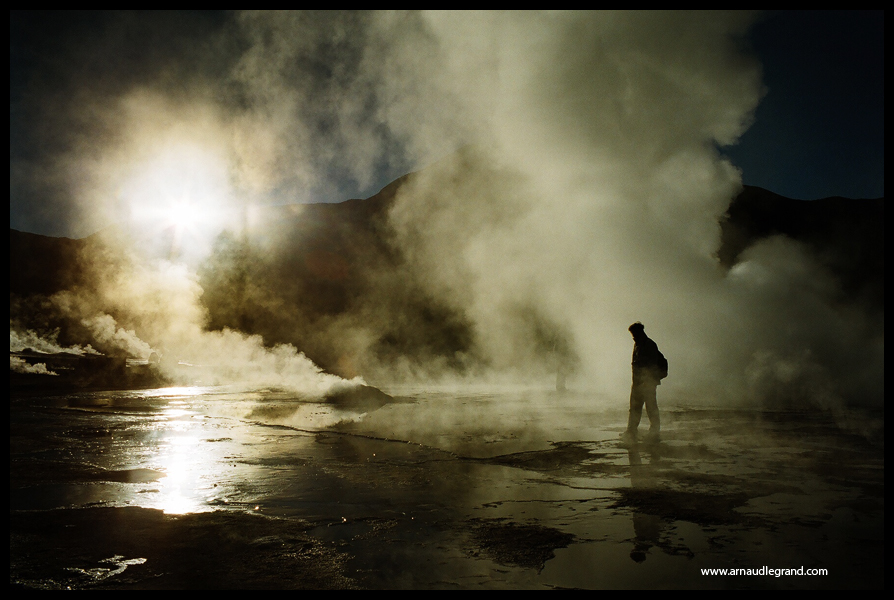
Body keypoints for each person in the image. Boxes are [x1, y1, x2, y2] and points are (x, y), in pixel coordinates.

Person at [621, 322, 667, 445]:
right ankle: (631, 431)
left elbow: (650, 366)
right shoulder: (638, 344)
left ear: (640, 332)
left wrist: (646, 382)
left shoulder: (649, 345)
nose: (633, 337)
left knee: (651, 408)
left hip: (648, 383)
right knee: (634, 408)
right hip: (637, 383)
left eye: (634, 334)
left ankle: (654, 432)